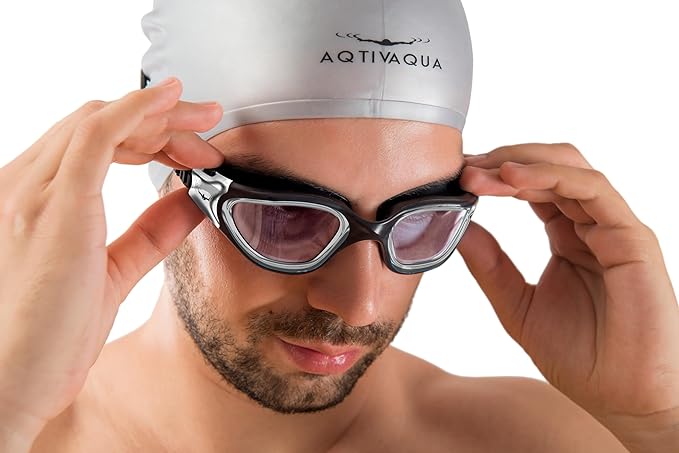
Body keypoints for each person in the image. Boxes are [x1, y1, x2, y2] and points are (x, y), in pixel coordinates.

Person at [1, 1, 678, 452]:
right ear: (170, 168)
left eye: (418, 221)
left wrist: (654, 424)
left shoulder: (534, 441)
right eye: (288, 219)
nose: (359, 305)